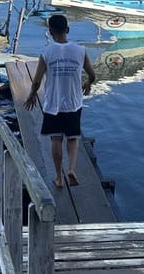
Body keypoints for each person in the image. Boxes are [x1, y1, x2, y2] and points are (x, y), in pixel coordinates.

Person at [24, 14, 96, 189]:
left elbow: (37, 80)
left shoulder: (46, 52)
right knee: (73, 138)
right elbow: (92, 74)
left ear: (50, 32)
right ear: (68, 30)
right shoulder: (80, 50)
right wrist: (88, 83)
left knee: (56, 138)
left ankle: (59, 177)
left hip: (53, 104)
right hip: (74, 103)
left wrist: (32, 95)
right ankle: (71, 169)